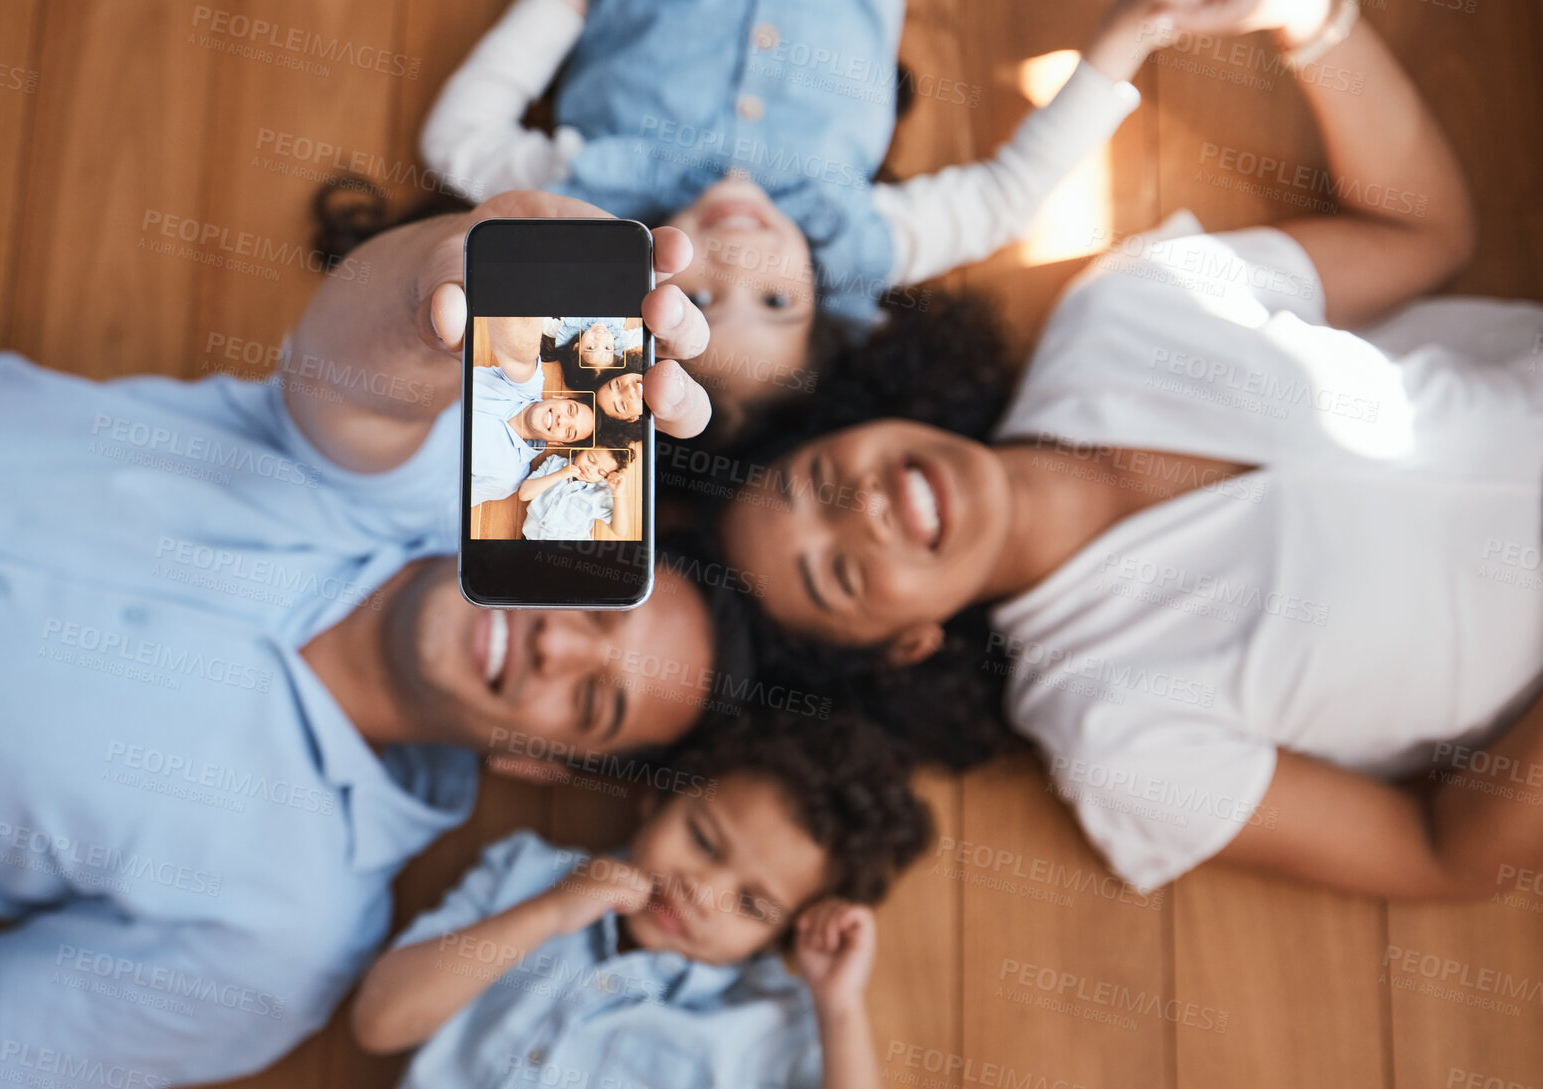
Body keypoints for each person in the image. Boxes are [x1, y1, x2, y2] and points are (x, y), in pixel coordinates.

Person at [0, 191, 726, 1089]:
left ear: (536, 762)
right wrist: (452, 266)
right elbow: (366, 359)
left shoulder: (285, 940)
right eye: (595, 599)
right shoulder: (391, 484)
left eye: (592, 698)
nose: (556, 642)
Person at [713, 0, 1543, 903]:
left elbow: (1425, 235)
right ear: (907, 646)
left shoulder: (1125, 310)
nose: (863, 514)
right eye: (838, 574)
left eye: (822, 479)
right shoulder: (1111, 730)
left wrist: (1310, 23)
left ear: (858, 416)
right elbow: (1440, 854)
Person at [413, 0, 1166, 429]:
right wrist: (1133, 35)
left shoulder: (593, 200)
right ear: (825, 305)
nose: (738, 260)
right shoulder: (852, 242)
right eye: (775, 302)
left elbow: (456, 144)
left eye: (700, 300)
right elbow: (1007, 199)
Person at [351, 715, 931, 1089]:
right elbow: (379, 1022)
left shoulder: (764, 1029)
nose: (702, 892)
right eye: (702, 841)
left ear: (784, 933)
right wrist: (549, 912)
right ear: (659, 797)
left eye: (752, 905)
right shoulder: (525, 877)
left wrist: (840, 1008)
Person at [470, 365, 599, 505]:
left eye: (569, 432)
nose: (562, 420)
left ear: (557, 443)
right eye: (570, 410)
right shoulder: (528, 383)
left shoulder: (508, 477)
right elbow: (522, 353)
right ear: (560, 397)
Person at [519, 446, 635, 540]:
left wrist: (618, 495)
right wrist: (560, 475)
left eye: (601, 472)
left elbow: (620, 531)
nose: (591, 469)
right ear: (582, 448)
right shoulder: (554, 463)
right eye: (591, 459)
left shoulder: (599, 492)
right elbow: (524, 494)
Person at [544, 315, 643, 369]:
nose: (600, 338)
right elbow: (639, 336)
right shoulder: (618, 340)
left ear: (577, 347)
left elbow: (543, 324)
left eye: (590, 347)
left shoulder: (566, 331)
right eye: (607, 348)